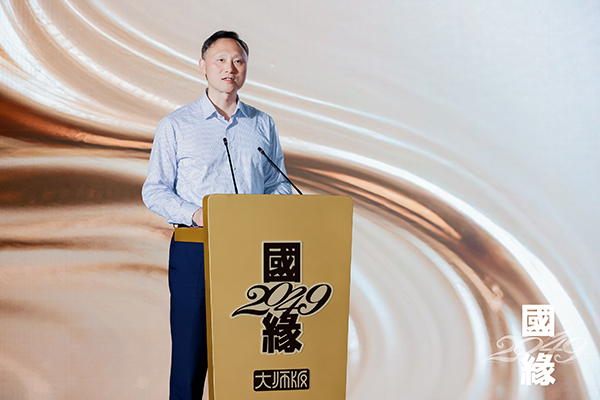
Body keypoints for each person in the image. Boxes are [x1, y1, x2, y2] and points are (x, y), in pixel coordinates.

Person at [142, 30, 292, 400]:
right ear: (203, 66)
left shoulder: (262, 124)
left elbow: (279, 184)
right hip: (197, 250)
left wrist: (261, 213)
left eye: (238, 61)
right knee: (190, 358)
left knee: (245, 353)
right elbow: (155, 189)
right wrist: (195, 214)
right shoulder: (176, 125)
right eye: (221, 60)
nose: (230, 68)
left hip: (251, 251)